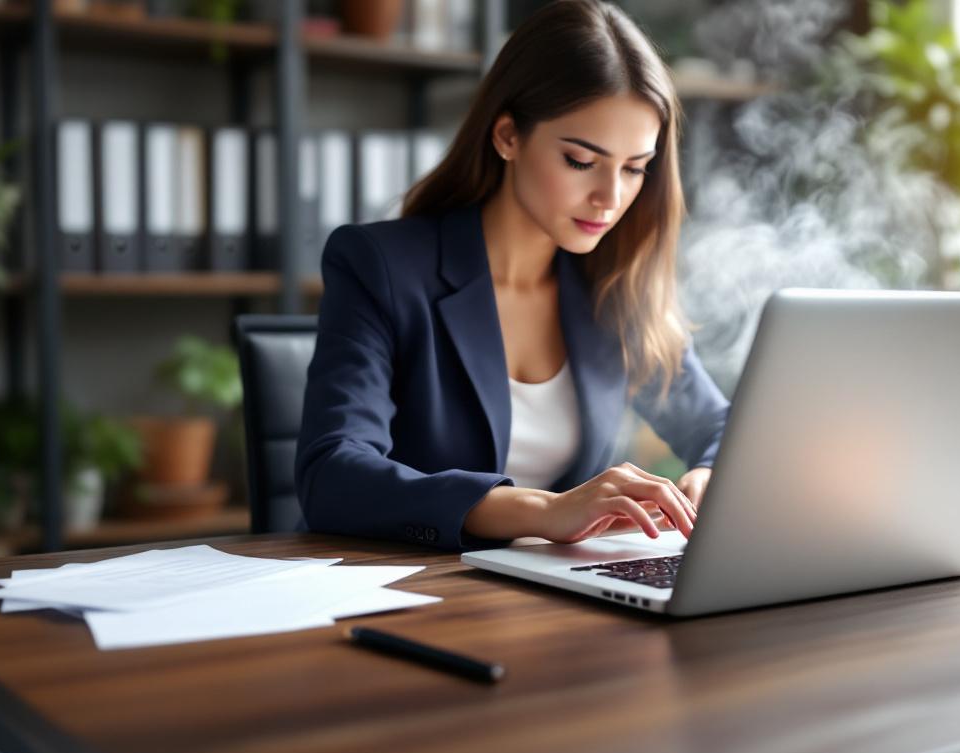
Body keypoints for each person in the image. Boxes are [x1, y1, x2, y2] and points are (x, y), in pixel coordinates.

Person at [295, 0, 729, 551]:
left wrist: (712, 477)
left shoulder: (614, 287)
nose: (610, 197)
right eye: (580, 160)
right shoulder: (379, 266)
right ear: (507, 136)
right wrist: (542, 511)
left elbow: (721, 428)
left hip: (555, 597)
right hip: (414, 593)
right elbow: (331, 475)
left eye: (635, 168)